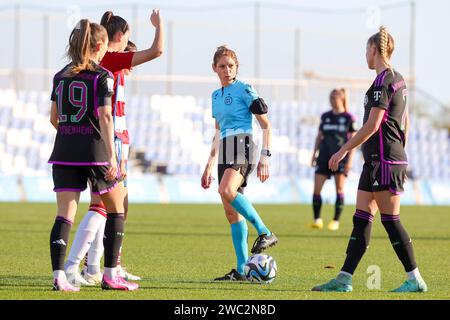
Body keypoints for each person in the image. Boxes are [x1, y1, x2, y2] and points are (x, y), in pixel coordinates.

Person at [312, 26, 427, 293]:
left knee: (390, 219)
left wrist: (343, 151)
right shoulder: (396, 80)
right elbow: (405, 121)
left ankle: (415, 278)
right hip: (377, 161)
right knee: (361, 218)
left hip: (384, 162)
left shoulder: (383, 82)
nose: (365, 54)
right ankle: (344, 278)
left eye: (366, 49)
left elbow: (373, 125)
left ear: (374, 50)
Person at [64, 10, 164, 286]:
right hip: (112, 141)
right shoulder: (109, 58)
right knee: (105, 206)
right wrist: (159, 25)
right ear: (118, 36)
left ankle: (96, 267)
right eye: (127, 40)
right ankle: (77, 266)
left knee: (110, 206)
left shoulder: (100, 63)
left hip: (113, 138)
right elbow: (157, 51)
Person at [48, 19, 138, 291]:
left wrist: (71, 133)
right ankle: (110, 275)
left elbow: (54, 119)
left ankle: (59, 277)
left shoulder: (60, 75)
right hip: (95, 153)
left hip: (63, 152)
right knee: (116, 209)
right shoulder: (102, 76)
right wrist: (111, 157)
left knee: (64, 216)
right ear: (100, 46)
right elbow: (106, 116)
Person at [201, 46, 278, 281]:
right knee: (231, 213)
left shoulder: (244, 89)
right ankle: (243, 269)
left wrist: (266, 156)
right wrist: (209, 164)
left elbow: (266, 124)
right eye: (222, 66)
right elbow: (217, 132)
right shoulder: (215, 96)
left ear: (237, 68)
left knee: (226, 189)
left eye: (231, 66)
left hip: (243, 144)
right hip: (225, 147)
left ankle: (265, 231)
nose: (227, 70)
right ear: (214, 68)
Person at [310, 88, 357, 231]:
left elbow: (354, 140)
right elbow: (319, 136)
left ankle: (335, 221)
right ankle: (317, 219)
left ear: (342, 99)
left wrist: (349, 161)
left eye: (334, 98)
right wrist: (314, 153)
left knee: (339, 189)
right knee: (317, 190)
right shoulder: (325, 116)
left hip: (340, 159)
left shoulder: (349, 118)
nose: (332, 100)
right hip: (324, 156)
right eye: (330, 97)